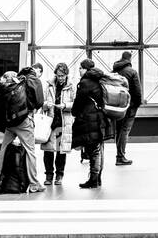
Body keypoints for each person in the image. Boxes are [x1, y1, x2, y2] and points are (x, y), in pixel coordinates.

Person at [0, 64, 45, 193]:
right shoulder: (26, 83)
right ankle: (33, 183)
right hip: (23, 122)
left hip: (9, 123)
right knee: (30, 151)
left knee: (3, 150)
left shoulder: (5, 86)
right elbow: (39, 102)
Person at [71, 56, 106, 189]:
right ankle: (97, 178)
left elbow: (78, 102)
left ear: (85, 69)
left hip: (89, 119)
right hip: (99, 118)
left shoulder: (85, 82)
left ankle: (93, 179)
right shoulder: (98, 80)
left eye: (80, 68)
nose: (79, 70)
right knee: (99, 149)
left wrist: (74, 112)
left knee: (93, 151)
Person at [42, 62, 74, 185]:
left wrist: (65, 105)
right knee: (48, 150)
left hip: (63, 122)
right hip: (50, 122)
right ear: (55, 74)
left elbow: (75, 103)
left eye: (63, 75)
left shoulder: (71, 86)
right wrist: (46, 104)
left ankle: (59, 175)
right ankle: (49, 175)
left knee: (61, 150)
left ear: (66, 75)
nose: (60, 78)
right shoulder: (49, 85)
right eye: (59, 75)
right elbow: (43, 101)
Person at [112, 50, 142, 165]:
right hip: (130, 106)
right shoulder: (132, 72)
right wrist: (137, 104)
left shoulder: (114, 71)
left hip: (117, 106)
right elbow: (137, 91)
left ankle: (119, 155)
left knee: (119, 130)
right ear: (130, 59)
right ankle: (120, 157)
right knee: (124, 131)